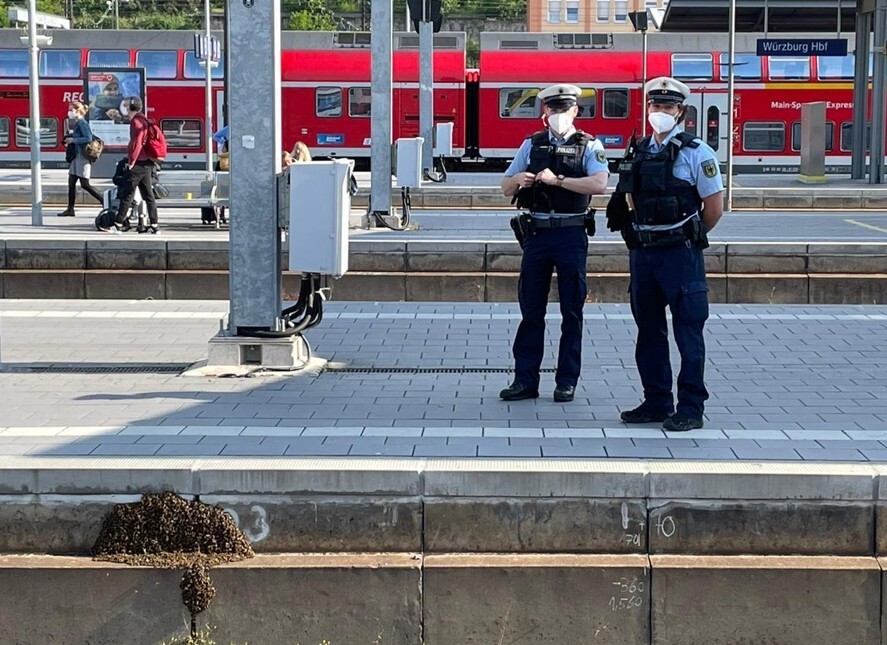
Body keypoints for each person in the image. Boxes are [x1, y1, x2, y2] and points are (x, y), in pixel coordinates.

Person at [615, 76, 724, 432]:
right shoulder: (639, 150)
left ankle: (691, 407)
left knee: (688, 332)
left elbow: (714, 207)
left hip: (680, 254)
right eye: (655, 106)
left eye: (667, 107)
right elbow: (630, 198)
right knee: (648, 330)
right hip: (644, 253)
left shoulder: (698, 153)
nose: (659, 112)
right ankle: (656, 400)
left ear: (681, 112)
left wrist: (688, 236)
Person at [498, 83, 609, 403]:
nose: (558, 115)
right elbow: (506, 186)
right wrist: (519, 179)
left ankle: (566, 380)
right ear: (544, 113)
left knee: (572, 311)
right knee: (531, 309)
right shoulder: (531, 145)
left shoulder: (589, 145)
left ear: (575, 111)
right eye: (553, 109)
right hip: (537, 235)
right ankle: (525, 379)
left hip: (570, 234)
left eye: (564, 109)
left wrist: (557, 180)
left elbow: (599, 184)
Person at [112, 97, 160, 234]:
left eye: (126, 106)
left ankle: (118, 223)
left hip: (138, 163)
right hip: (147, 164)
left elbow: (137, 143)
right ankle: (155, 225)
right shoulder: (144, 119)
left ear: (130, 107)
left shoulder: (136, 122)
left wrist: (131, 161)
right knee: (148, 196)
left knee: (127, 194)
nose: (124, 108)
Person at [57, 101, 104, 217]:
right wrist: (70, 138)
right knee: (71, 183)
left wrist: (73, 140)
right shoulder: (77, 122)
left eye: (71, 109)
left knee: (85, 184)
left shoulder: (82, 123)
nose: (69, 112)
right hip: (76, 157)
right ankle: (70, 209)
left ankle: (104, 201)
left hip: (82, 157)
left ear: (77, 110)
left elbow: (88, 138)